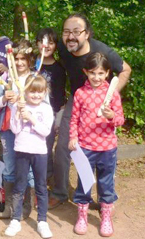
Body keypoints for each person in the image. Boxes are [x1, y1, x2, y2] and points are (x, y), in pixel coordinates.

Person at [49, 13, 131, 209]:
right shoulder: (63, 46)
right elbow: (45, 47)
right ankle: (60, 192)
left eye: (77, 32)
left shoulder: (103, 51)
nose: (71, 36)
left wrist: (108, 95)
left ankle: (104, 199)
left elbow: (125, 70)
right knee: (62, 146)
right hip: (77, 98)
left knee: (101, 150)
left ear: (87, 34)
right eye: (66, 31)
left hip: (101, 101)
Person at [68, 52, 124, 237]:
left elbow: (120, 119)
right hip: (85, 147)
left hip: (107, 147)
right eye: (92, 73)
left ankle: (105, 216)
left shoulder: (113, 94)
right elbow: (74, 118)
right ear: (86, 72)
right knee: (84, 182)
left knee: (106, 183)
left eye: (100, 73)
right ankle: (82, 215)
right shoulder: (80, 93)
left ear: (107, 73)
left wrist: (111, 116)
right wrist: (73, 137)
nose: (96, 77)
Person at [0, 40, 37, 219]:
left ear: (30, 59)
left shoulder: (35, 78)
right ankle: (9, 206)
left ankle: (27, 206)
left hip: (29, 131)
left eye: (23, 58)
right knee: (9, 166)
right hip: (8, 128)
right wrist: (4, 99)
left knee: (29, 167)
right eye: (16, 58)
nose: (19, 62)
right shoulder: (6, 78)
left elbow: (44, 102)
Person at [4, 75, 54, 238]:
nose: (36, 95)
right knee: (19, 186)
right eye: (32, 92)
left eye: (40, 92)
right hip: (22, 150)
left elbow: (46, 131)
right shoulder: (19, 106)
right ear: (25, 92)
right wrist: (19, 113)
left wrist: (31, 118)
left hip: (39, 152)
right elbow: (15, 129)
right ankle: (16, 219)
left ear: (45, 92)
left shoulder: (46, 108)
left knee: (40, 186)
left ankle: (42, 221)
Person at [35, 28, 66, 179]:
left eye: (50, 43)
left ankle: (46, 176)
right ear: (37, 44)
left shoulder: (59, 69)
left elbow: (60, 96)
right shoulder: (31, 64)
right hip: (30, 113)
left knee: (46, 145)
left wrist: (56, 118)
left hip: (49, 114)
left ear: (55, 46)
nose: (46, 46)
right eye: (42, 42)